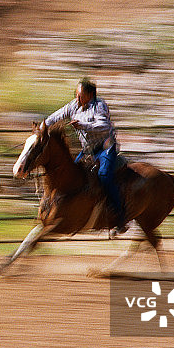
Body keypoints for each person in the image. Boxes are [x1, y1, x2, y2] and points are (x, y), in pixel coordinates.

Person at [44, 77, 128, 237]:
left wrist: (83, 125)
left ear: (90, 95)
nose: (77, 98)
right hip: (88, 150)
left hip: (105, 148)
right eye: (76, 95)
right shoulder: (74, 105)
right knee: (72, 175)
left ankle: (119, 215)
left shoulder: (99, 105)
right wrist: (44, 125)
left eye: (80, 95)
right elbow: (58, 115)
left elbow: (104, 126)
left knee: (104, 175)